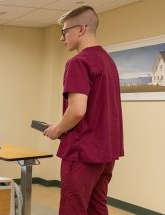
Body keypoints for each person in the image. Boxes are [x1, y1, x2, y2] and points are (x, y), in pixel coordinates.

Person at [43, 5, 124, 215]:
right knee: (97, 208)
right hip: (106, 152)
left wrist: (57, 129)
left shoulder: (79, 62)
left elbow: (77, 110)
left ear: (81, 29)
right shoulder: (108, 61)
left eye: (64, 32)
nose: (62, 39)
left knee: (73, 209)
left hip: (82, 152)